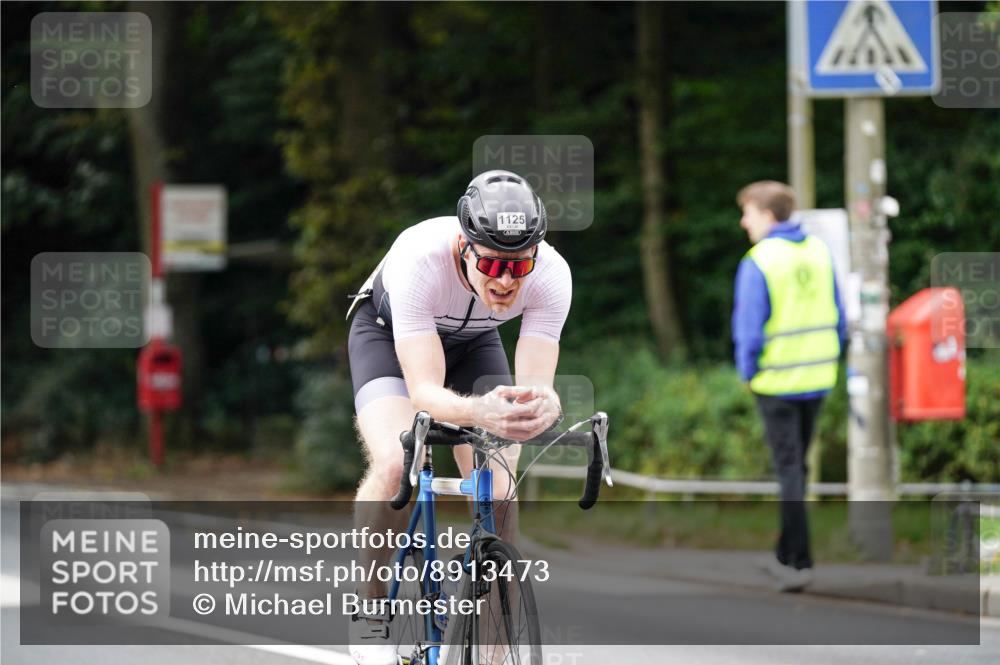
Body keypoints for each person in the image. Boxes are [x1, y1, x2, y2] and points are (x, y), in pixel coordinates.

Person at [345, 170, 568, 664]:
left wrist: (543, 403)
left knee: (501, 486)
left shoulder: (552, 274)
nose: (506, 280)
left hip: (474, 345)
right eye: (491, 262)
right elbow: (424, 392)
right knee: (396, 460)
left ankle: (492, 644)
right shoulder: (419, 262)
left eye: (519, 264)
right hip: (386, 336)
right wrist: (479, 410)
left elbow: (538, 386)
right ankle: (370, 608)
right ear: (465, 247)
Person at [731, 180, 847, 592]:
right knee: (798, 470)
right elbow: (840, 315)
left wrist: (747, 373)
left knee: (790, 471)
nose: (744, 221)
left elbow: (749, 330)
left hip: (777, 382)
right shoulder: (819, 251)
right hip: (818, 378)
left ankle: (799, 563)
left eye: (748, 212)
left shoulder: (760, 260)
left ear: (767, 215)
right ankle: (786, 555)